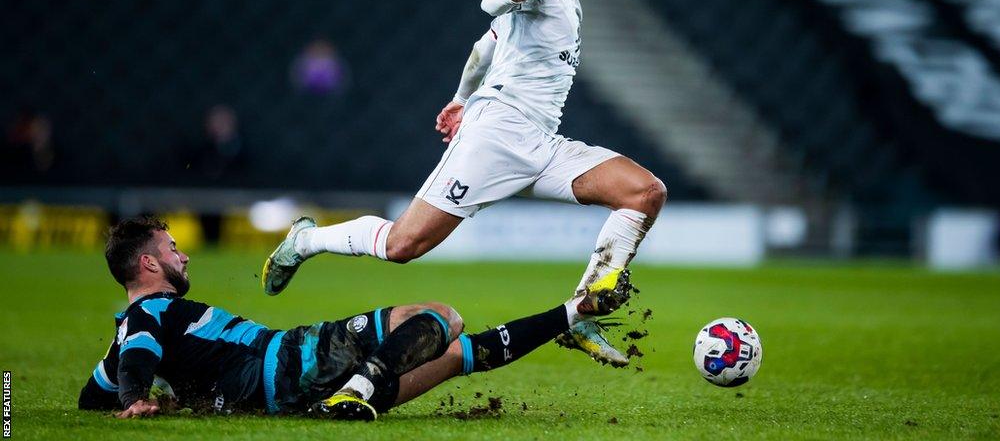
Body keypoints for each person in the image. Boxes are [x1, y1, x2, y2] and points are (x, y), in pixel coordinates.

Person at [262, 0, 667, 367]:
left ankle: (581, 317)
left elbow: (485, 46)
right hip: (494, 138)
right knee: (402, 246)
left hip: (543, 143)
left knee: (644, 192)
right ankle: (305, 240)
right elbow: (490, 3)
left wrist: (458, 97)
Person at [79, 217, 625, 421]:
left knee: (455, 355)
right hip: (288, 362)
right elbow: (139, 356)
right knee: (442, 317)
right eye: (174, 250)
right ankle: (358, 390)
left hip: (289, 392)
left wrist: (135, 396)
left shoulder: (131, 329)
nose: (185, 256)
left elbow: (90, 396)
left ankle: (571, 315)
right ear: (148, 264)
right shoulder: (150, 312)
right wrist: (135, 400)